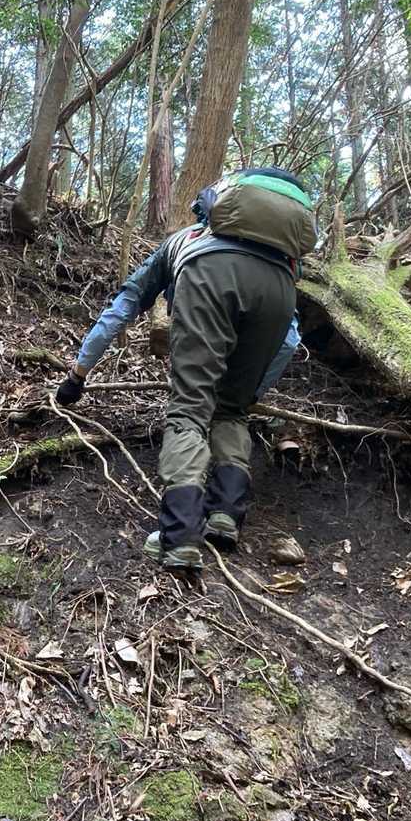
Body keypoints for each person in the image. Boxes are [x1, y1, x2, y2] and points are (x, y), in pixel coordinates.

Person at [55, 167, 316, 571]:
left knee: (190, 411)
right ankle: (225, 515)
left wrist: (77, 375)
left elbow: (122, 308)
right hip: (278, 291)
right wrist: (252, 391)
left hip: (208, 276)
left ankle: (179, 538)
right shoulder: (282, 258)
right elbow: (288, 341)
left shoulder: (183, 241)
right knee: (231, 411)